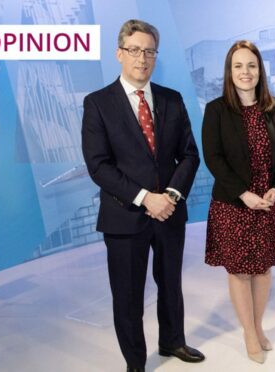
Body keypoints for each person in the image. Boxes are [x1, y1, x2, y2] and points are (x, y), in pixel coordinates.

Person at [81, 19, 204, 372]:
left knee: (171, 285)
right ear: (120, 54)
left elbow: (189, 155)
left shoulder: (171, 99)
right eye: (134, 50)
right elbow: (98, 166)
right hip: (125, 217)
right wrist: (145, 198)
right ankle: (135, 362)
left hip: (169, 212)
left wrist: (169, 196)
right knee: (128, 296)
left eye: (149, 51)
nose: (142, 58)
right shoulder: (98, 104)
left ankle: (173, 342)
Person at [202, 40, 275, 364]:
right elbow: (213, 158)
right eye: (238, 66)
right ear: (230, 71)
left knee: (264, 269)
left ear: (260, 70)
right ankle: (248, 333)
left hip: (267, 203)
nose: (245, 72)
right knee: (240, 271)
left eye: (251, 66)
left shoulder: (274, 107)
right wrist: (244, 193)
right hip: (234, 204)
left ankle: (257, 325)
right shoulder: (216, 110)